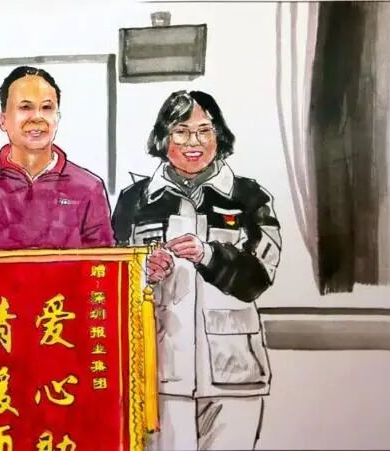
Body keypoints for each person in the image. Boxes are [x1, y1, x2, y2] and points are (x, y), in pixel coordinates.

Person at [112, 90, 281, 450]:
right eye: (182, 131)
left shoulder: (250, 198)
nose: (194, 142)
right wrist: (143, 272)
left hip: (234, 373)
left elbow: (259, 278)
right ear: (163, 137)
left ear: (219, 135)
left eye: (205, 131)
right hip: (159, 373)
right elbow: (110, 281)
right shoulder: (134, 200)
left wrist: (209, 255)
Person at [0, 65, 114, 251]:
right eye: (25, 107)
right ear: (3, 120)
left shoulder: (89, 188)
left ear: (57, 118)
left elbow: (105, 262)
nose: (37, 117)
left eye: (47, 107)